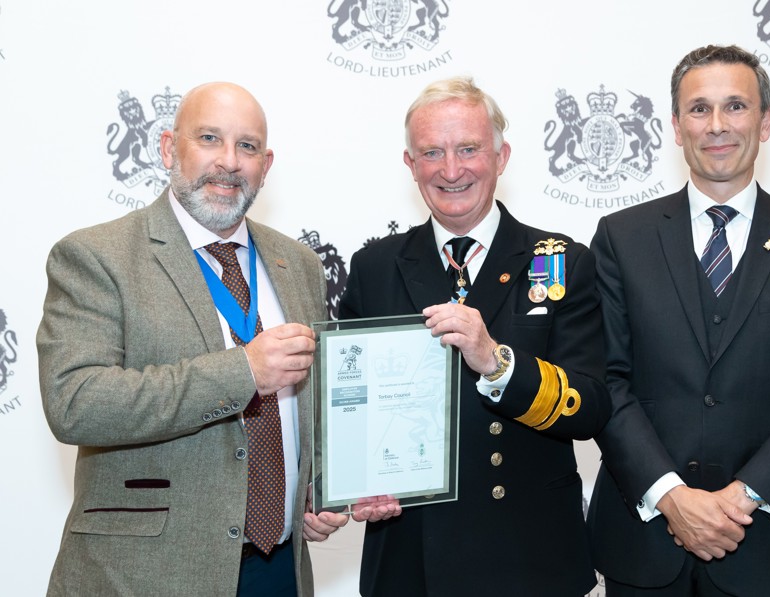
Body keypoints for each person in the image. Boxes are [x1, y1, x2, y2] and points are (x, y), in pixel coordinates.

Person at [38, 82, 347, 596]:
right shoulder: (96, 256)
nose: (229, 161)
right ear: (167, 148)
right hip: (145, 576)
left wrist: (316, 489)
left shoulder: (299, 265)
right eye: (209, 138)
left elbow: (307, 408)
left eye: (247, 146)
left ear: (266, 165)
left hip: (279, 569)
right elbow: (74, 402)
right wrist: (243, 371)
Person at [586, 45, 770, 596]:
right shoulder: (622, 239)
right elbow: (605, 381)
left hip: (765, 550)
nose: (717, 125)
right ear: (676, 127)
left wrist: (741, 498)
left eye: (736, 106)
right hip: (644, 549)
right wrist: (671, 496)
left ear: (765, 122)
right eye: (699, 109)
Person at [338, 76, 610, 596]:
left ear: (501, 156)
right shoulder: (375, 267)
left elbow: (590, 409)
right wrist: (354, 481)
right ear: (410, 164)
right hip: (411, 558)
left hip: (528, 556)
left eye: (468, 149)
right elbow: (350, 406)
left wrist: (497, 362)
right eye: (432, 153)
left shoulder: (560, 261)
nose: (451, 170)